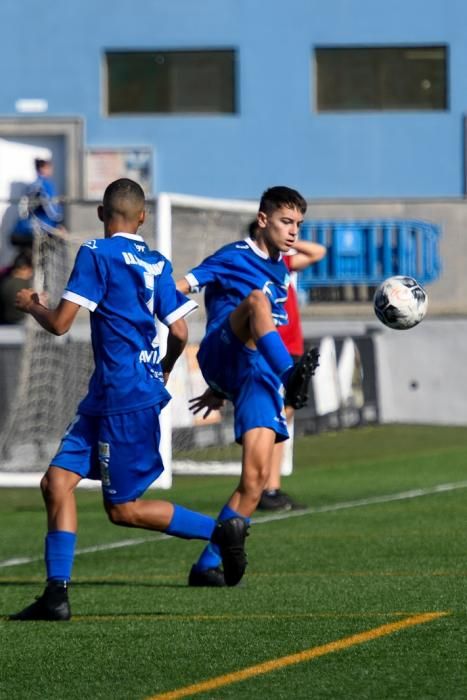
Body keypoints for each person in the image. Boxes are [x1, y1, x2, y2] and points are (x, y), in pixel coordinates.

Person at [9, 178, 241, 621]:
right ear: (143, 217)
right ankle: (56, 596)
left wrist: (32, 304)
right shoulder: (156, 262)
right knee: (55, 483)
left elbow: (59, 325)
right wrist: (166, 368)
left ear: (101, 213)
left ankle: (219, 532)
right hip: (111, 395)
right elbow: (178, 330)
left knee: (124, 510)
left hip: (123, 399)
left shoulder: (96, 253)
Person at [176, 186, 320, 588]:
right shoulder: (232, 256)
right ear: (263, 219)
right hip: (222, 349)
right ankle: (291, 376)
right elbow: (180, 286)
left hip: (254, 374)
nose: (293, 232)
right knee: (257, 302)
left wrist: (222, 389)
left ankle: (206, 566)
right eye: (286, 222)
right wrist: (156, 322)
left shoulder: (280, 268)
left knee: (255, 482)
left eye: (298, 225)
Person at [257, 232, 327, 511]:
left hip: (293, 348)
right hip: (273, 350)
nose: (290, 233)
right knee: (270, 419)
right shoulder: (254, 268)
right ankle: (260, 486)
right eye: (284, 227)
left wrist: (288, 244)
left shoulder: (284, 264)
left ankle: (272, 487)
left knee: (285, 416)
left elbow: (318, 252)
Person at [11, 158, 65, 248]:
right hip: (42, 227)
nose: (52, 171)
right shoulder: (44, 185)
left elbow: (23, 209)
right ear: (42, 168)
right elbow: (50, 208)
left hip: (25, 227)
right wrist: (59, 223)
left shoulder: (31, 186)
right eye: (50, 168)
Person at [0, 250, 33, 324]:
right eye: (30, 269)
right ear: (24, 268)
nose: (31, 273)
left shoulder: (5, 279)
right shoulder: (22, 285)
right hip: (18, 323)